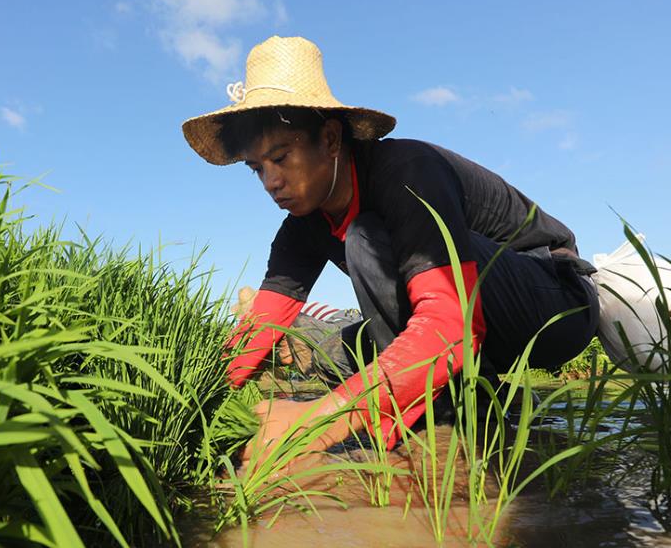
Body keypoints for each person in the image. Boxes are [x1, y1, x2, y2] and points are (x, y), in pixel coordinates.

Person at [181, 36, 599, 460]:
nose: (271, 182)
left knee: (366, 240)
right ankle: (488, 398)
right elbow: (263, 325)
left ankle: (463, 419)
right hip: (473, 320)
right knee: (325, 344)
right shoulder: (302, 224)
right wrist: (194, 405)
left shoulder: (407, 173)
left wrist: (317, 421)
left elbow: (450, 323)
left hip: (555, 301)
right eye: (258, 169)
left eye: (282, 158)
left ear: (329, 139)